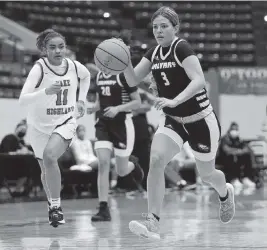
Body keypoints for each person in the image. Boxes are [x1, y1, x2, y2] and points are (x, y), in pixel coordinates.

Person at [122, 6, 235, 239]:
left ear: (175, 28)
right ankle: (153, 220)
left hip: (201, 121)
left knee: (207, 175)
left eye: (164, 26)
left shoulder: (181, 48)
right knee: (155, 160)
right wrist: (122, 60)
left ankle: (225, 193)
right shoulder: (153, 53)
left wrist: (174, 100)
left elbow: (199, 80)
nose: (159, 30)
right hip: (174, 121)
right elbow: (132, 79)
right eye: (155, 27)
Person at [19, 29, 91, 227]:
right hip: (38, 125)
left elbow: (86, 77)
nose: (58, 51)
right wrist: (45, 92)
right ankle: (52, 204)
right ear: (45, 50)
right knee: (45, 168)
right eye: (52, 47)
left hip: (65, 121)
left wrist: (81, 100)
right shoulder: (39, 69)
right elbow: (22, 99)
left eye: (61, 47)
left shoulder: (75, 67)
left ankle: (56, 207)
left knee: (51, 156)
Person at [87, 62, 143, 222]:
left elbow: (137, 102)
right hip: (102, 123)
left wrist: (118, 108)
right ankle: (103, 208)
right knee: (103, 163)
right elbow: (100, 102)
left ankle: (133, 164)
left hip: (122, 123)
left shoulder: (125, 75)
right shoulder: (98, 76)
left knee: (121, 171)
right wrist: (91, 108)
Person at [216, 122, 256, 189]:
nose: (235, 131)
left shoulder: (239, 140)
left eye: (236, 130)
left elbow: (247, 149)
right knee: (231, 157)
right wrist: (239, 151)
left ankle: (245, 178)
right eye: (233, 129)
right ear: (230, 130)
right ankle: (233, 179)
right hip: (223, 160)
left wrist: (241, 151)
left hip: (236, 158)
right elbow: (227, 150)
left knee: (247, 156)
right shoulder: (224, 139)